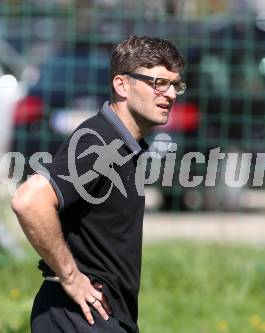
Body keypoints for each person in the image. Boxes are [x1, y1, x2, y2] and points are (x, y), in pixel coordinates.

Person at [11, 35, 186, 333]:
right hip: (78, 315)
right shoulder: (98, 142)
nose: (170, 93)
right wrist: (70, 276)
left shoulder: (123, 145)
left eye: (175, 84)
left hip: (99, 316)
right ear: (121, 85)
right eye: (158, 83)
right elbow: (29, 201)